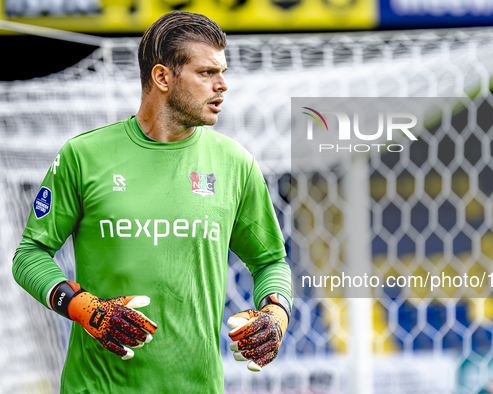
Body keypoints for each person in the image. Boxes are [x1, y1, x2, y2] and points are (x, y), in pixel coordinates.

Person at [12, 11, 292, 393]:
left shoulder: (235, 163)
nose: (222, 85)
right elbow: (30, 254)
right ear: (162, 77)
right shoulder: (84, 155)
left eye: (222, 72)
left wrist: (276, 315)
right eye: (207, 73)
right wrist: (81, 307)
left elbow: (270, 260)